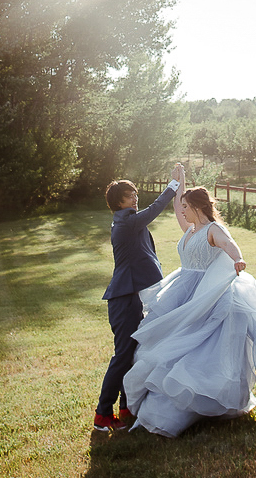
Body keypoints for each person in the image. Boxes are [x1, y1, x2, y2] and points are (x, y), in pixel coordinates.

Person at [122, 184, 256, 437]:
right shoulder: (191, 230)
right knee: (170, 345)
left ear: (196, 207)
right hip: (183, 295)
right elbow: (176, 207)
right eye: (181, 207)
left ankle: (197, 402)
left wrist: (238, 259)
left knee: (203, 349)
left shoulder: (213, 230)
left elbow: (229, 243)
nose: (181, 211)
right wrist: (180, 181)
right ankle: (168, 405)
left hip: (207, 295)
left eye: (185, 207)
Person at [94, 162, 185, 432]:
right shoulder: (126, 222)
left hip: (136, 295)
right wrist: (173, 186)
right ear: (118, 202)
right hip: (123, 298)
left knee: (133, 353)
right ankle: (102, 414)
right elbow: (155, 209)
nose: (135, 197)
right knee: (123, 355)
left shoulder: (128, 221)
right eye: (130, 195)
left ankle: (127, 408)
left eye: (135, 193)